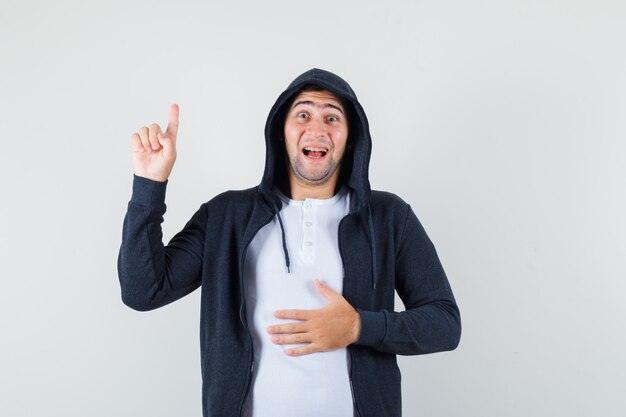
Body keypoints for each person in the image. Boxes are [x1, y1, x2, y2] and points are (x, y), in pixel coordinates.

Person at [118, 68, 461, 417]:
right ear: (281, 133)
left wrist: (360, 326)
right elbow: (142, 290)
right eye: (303, 114)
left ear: (350, 137)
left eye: (332, 116)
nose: (318, 128)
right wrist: (149, 185)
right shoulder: (227, 216)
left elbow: (444, 324)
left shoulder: (388, 217)